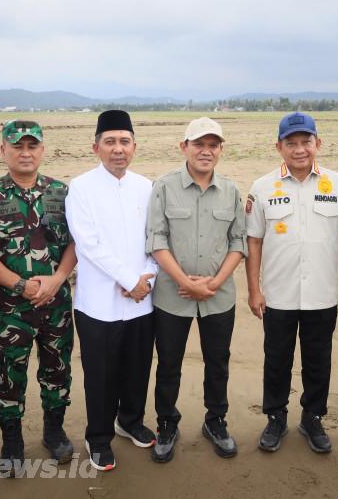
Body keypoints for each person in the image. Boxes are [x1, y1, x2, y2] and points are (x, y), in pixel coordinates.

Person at [0, 120, 77, 475]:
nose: (25, 153)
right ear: (4, 151)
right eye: (17, 146)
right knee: (8, 375)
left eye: (32, 146)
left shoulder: (62, 193)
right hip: (9, 308)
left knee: (57, 371)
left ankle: (53, 430)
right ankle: (12, 441)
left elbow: (77, 242)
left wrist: (58, 279)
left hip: (55, 304)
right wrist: (20, 285)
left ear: (43, 150)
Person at [246, 112, 338, 455]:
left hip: (322, 294)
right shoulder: (262, 187)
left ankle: (312, 417)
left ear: (317, 144)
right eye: (291, 143)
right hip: (278, 295)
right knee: (276, 359)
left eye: (306, 142)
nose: (299, 149)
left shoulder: (337, 183)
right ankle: (276, 417)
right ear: (279, 147)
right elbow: (253, 242)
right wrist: (254, 289)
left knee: (318, 359)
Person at [146, 117, 247, 463]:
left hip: (219, 297)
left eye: (213, 144)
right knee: (169, 364)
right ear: (184, 147)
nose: (206, 151)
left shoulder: (232, 190)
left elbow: (238, 241)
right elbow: (156, 239)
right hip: (173, 296)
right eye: (198, 144)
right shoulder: (163, 186)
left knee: (217, 362)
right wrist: (185, 282)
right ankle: (166, 424)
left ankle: (215, 421)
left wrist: (215, 283)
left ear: (221, 149)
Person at [65, 110, 158, 471]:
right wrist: (128, 280)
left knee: (137, 368)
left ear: (134, 146)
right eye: (110, 142)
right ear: (96, 147)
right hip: (98, 304)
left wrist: (146, 277)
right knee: (101, 375)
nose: (118, 149)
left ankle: (130, 421)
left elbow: (157, 239)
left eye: (124, 142)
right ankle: (98, 437)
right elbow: (88, 244)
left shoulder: (147, 187)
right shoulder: (81, 188)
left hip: (142, 300)